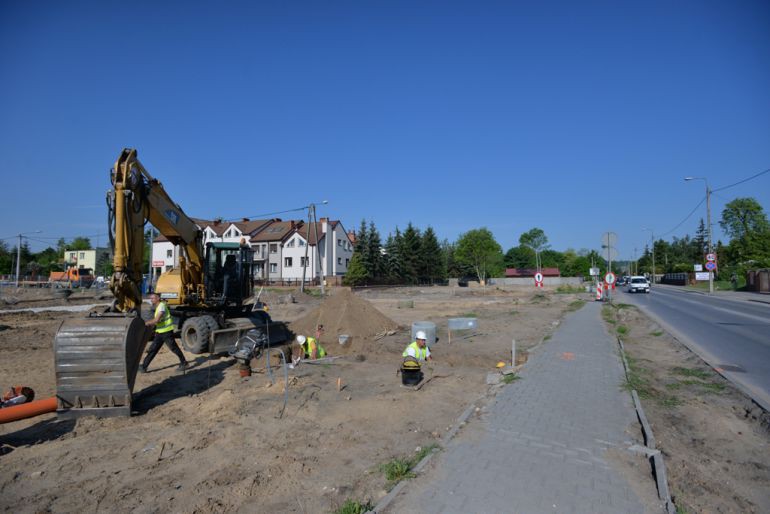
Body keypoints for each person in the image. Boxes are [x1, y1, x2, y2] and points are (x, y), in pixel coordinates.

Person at [140, 293, 188, 373]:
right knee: (153, 349)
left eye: (153, 298)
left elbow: (157, 320)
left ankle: (184, 363)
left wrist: (146, 323)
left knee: (174, 348)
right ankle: (144, 366)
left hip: (166, 332)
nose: (151, 300)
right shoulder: (158, 307)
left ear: (158, 298)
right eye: (150, 299)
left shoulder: (161, 306)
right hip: (160, 332)